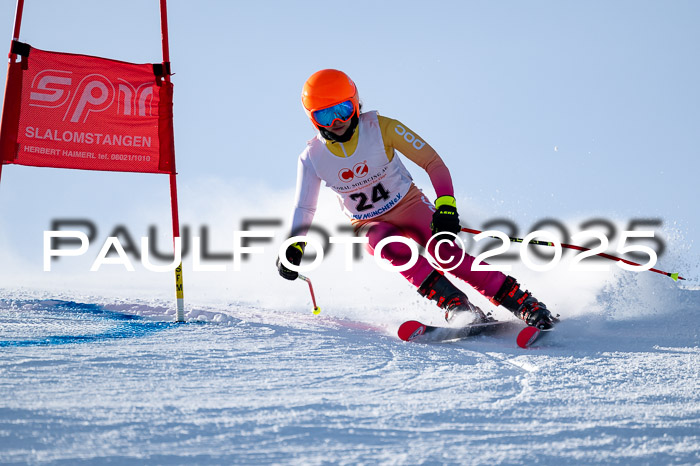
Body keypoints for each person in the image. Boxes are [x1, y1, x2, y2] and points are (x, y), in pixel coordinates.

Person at [277, 69, 554, 330]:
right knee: (387, 245)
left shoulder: (382, 128)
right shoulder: (312, 158)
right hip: (368, 222)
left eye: (343, 110)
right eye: (326, 117)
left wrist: (446, 206)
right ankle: (457, 305)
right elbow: (304, 206)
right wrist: (294, 245)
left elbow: (433, 163)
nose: (338, 122)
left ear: (356, 104)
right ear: (313, 119)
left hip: (409, 205)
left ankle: (522, 302)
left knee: (445, 253)